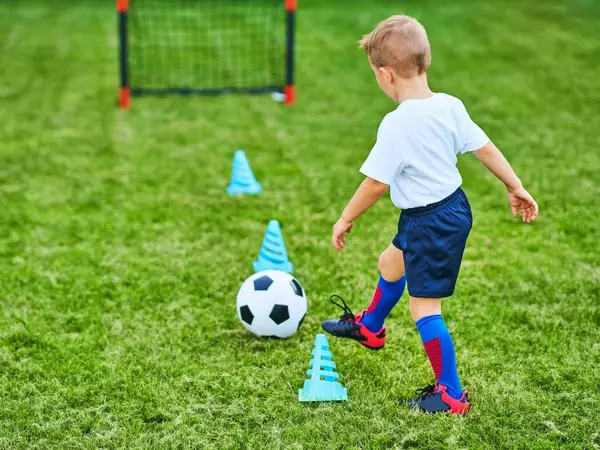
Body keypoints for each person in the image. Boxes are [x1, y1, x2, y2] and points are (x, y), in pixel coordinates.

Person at [321, 15, 539, 415]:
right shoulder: (449, 106)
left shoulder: (397, 124)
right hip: (450, 207)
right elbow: (484, 146)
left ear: (386, 75)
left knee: (424, 308)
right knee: (390, 261)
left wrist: (346, 217)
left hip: (430, 220)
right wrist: (515, 184)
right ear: (427, 60)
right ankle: (370, 327)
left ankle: (451, 394)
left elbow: (376, 183)